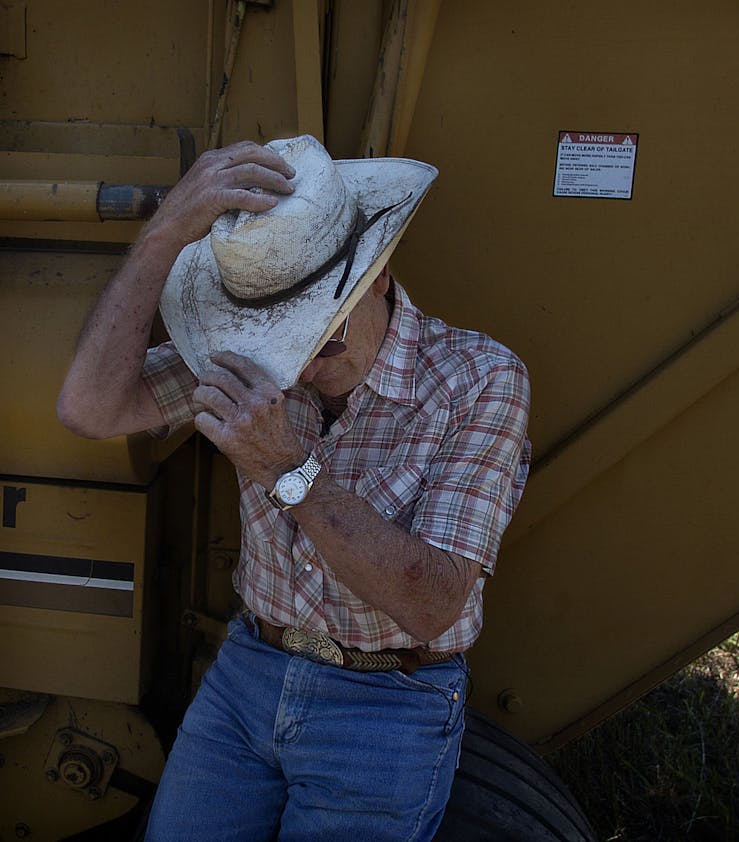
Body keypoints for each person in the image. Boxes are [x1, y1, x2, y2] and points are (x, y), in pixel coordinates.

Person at [56, 135, 531, 840]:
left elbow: (432, 604)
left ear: (379, 271)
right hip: (250, 666)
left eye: (325, 339)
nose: (302, 369)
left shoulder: (477, 378)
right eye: (288, 342)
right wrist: (161, 238)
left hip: (390, 698)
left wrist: (288, 469)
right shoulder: (257, 356)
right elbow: (89, 409)